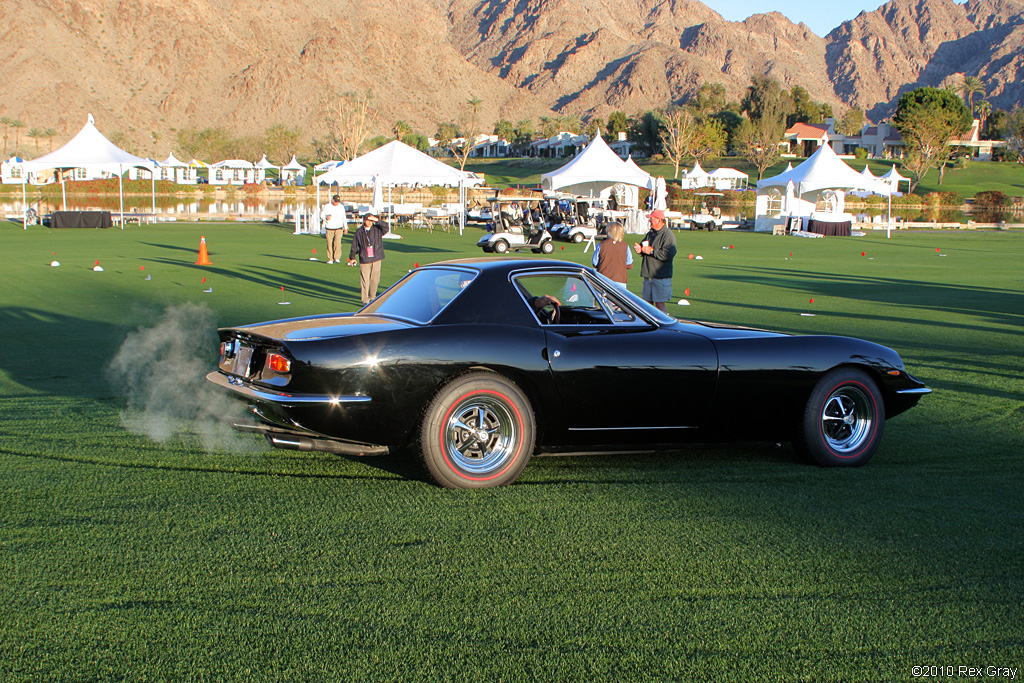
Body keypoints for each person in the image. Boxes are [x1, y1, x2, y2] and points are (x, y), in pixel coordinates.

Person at [633, 209, 677, 312]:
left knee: (660, 305)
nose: (649, 221)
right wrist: (640, 250)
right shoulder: (650, 234)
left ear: (658, 220)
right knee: (646, 305)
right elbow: (644, 247)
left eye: (651, 219)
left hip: (660, 277)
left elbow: (669, 254)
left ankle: (665, 325)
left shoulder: (668, 235)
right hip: (648, 276)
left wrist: (652, 251)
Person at [347, 212, 390, 304]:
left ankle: (372, 297)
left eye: (371, 220)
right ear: (364, 220)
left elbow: (386, 227)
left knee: (375, 279)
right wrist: (352, 257)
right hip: (364, 258)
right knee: (364, 280)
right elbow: (354, 245)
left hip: (376, 257)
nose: (370, 222)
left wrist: (377, 220)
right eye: (368, 220)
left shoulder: (377, 229)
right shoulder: (359, 232)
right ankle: (365, 300)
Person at [592, 221, 632, 289]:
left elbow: (594, 262)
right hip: (620, 279)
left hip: (603, 278)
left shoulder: (601, 244)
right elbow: (629, 263)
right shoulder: (625, 246)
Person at [320, 195, 348, 264]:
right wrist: (326, 217)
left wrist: (346, 227)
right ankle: (330, 258)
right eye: (335, 201)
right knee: (329, 243)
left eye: (338, 202)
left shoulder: (341, 207)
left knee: (337, 243)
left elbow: (344, 217)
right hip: (329, 227)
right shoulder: (327, 206)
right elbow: (321, 215)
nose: (336, 203)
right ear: (332, 200)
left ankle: (337, 258)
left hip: (339, 227)